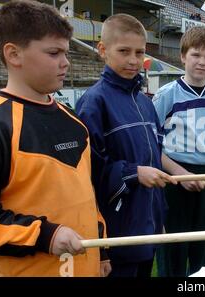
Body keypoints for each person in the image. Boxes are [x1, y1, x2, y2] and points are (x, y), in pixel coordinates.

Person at [0, 0, 109, 276]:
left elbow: (87, 196)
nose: (66, 62)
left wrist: (101, 249)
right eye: (54, 52)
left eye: (66, 52)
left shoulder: (75, 122)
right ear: (14, 54)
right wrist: (45, 235)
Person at [76, 14, 177, 277]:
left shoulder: (145, 102)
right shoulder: (93, 103)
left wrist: (158, 218)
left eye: (139, 52)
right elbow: (87, 176)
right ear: (102, 50)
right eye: (124, 51)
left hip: (147, 228)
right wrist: (133, 173)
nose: (133, 60)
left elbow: (155, 161)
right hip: (116, 235)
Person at [153, 26, 205, 277]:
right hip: (175, 178)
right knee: (174, 249)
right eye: (196, 55)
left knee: (204, 249)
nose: (202, 62)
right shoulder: (166, 96)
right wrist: (180, 174)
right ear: (182, 57)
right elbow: (152, 148)